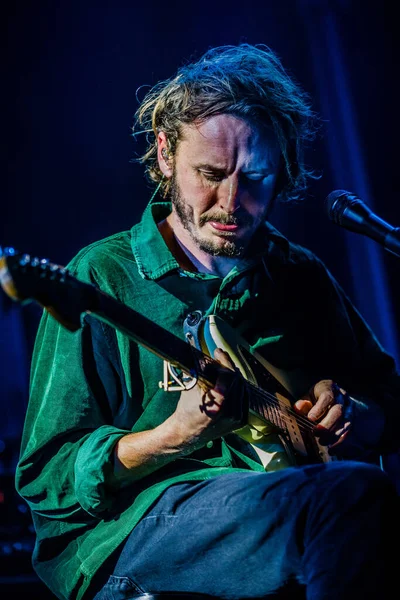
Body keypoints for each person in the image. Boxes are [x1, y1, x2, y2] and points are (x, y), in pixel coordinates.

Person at [15, 43, 400, 600]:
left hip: (290, 513)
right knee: (351, 497)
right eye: (211, 173)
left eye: (256, 178)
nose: (231, 201)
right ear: (166, 152)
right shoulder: (102, 275)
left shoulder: (300, 277)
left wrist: (353, 413)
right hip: (143, 527)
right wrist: (172, 436)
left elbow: (387, 401)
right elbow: (45, 476)